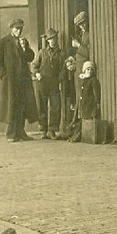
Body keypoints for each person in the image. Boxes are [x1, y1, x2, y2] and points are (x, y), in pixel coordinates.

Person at [0, 18, 38, 142]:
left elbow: (30, 57)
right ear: (11, 28)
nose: (19, 31)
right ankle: (10, 133)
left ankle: (21, 132)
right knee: (11, 107)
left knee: (22, 106)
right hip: (10, 81)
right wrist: (4, 75)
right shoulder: (3, 42)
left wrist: (25, 48)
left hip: (23, 80)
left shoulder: (23, 42)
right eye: (17, 28)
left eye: (21, 28)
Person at [31, 27, 65, 139]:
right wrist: (37, 74)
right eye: (50, 39)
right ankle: (44, 130)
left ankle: (52, 130)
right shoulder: (42, 52)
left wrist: (59, 79)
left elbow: (63, 69)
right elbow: (34, 66)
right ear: (47, 40)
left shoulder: (61, 53)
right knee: (42, 106)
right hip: (42, 83)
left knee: (55, 106)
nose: (53, 41)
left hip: (54, 83)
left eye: (54, 38)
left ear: (57, 39)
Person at [67, 11, 90, 142]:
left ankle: (80, 128)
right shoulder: (83, 34)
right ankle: (76, 127)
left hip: (84, 71)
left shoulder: (90, 35)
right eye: (80, 25)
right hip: (78, 71)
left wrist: (78, 46)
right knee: (77, 98)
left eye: (83, 24)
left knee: (81, 98)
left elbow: (89, 52)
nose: (82, 27)